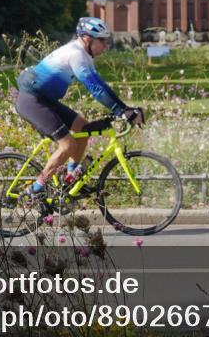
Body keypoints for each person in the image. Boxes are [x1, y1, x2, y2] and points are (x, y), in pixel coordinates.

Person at [15, 17, 145, 201]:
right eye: (102, 40)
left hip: (46, 99)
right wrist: (122, 111)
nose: (105, 46)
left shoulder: (83, 56)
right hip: (32, 100)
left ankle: (70, 178)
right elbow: (96, 89)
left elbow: (101, 85)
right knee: (68, 144)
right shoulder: (76, 55)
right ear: (87, 38)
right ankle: (36, 188)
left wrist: (124, 109)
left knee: (83, 128)